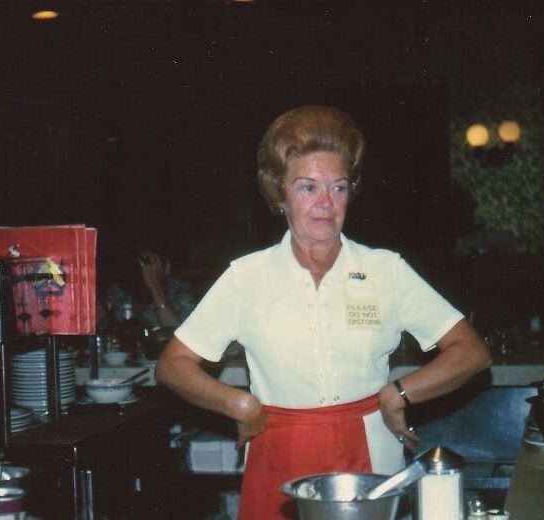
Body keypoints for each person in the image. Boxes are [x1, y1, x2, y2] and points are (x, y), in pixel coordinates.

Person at [156, 105, 492, 519]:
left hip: (371, 461)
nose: (326, 203)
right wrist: (237, 404)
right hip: (278, 456)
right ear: (280, 193)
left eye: (339, 187)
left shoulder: (385, 270)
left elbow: (471, 351)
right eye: (307, 187)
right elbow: (173, 364)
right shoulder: (246, 277)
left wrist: (399, 392)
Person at [102, 249, 195, 332]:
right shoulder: (118, 295)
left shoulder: (182, 296)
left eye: (149, 265)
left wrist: (155, 286)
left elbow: (179, 339)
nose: (145, 272)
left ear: (166, 267)